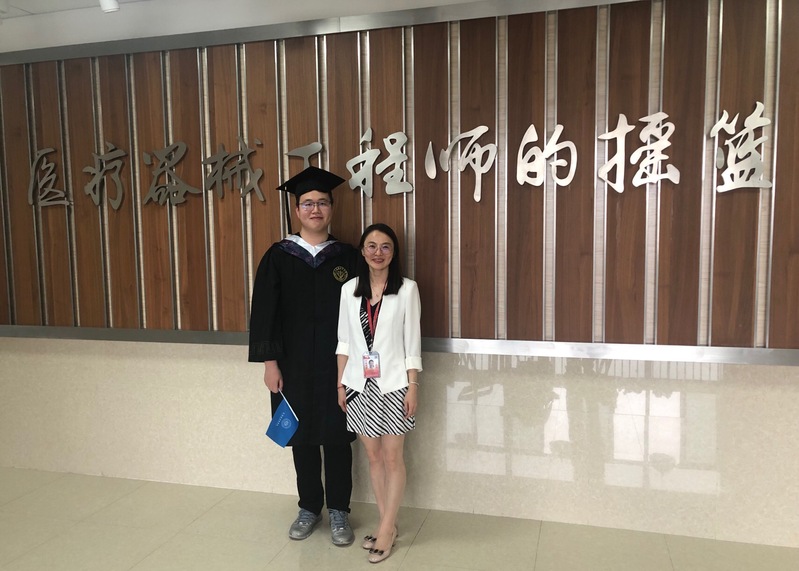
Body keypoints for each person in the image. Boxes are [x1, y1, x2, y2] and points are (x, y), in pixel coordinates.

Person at [249, 165, 358, 546]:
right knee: (301, 435)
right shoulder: (279, 256)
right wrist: (270, 364)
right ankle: (310, 506)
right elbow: (265, 312)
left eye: (322, 203)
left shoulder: (347, 256)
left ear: (331, 208)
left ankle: (340, 509)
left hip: (338, 365)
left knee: (338, 436)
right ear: (297, 210)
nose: (315, 209)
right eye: (308, 203)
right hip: (291, 365)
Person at [335, 222, 422, 564]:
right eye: (371, 246)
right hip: (359, 386)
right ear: (362, 251)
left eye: (386, 246)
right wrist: (340, 383)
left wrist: (413, 386)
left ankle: (385, 530)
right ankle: (388, 523)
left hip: (394, 384)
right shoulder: (349, 290)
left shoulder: (407, 289)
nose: (378, 252)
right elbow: (344, 341)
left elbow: (412, 342)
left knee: (392, 458)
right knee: (373, 458)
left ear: (394, 252)